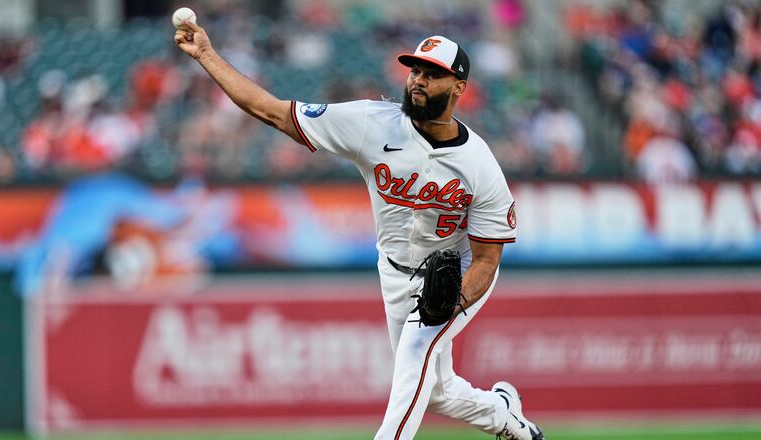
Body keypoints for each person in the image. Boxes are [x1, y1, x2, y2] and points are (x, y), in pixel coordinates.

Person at [174, 19, 544, 440]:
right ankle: (504, 414)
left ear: (459, 88)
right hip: (394, 270)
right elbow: (273, 111)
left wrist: (453, 301)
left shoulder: (480, 166)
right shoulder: (372, 123)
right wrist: (206, 55)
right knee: (436, 391)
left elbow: (487, 258)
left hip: (455, 273)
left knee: (415, 348)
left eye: (433, 74)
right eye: (415, 71)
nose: (418, 81)